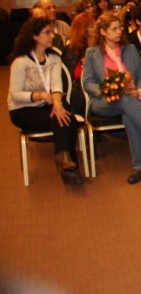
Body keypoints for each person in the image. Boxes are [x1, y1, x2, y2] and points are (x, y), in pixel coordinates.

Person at [82, 14, 141, 184]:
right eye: (114, 29)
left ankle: (140, 166)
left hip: (130, 99)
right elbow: (88, 82)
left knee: (129, 111)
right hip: (103, 101)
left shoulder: (130, 49)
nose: (119, 32)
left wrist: (139, 91)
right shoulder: (92, 53)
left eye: (120, 28)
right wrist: (107, 90)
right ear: (103, 32)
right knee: (126, 101)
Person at [7, 17, 84, 184]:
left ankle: (65, 160)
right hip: (22, 109)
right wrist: (40, 95)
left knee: (64, 115)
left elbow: (57, 85)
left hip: (46, 105)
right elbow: (14, 94)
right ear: (34, 36)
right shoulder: (20, 62)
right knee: (66, 120)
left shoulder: (54, 58)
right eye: (47, 33)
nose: (52, 36)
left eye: (52, 32)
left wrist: (57, 103)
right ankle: (69, 166)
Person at [62, 11, 96, 115]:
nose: (96, 28)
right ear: (83, 30)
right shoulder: (71, 50)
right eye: (92, 26)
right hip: (79, 89)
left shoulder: (100, 47)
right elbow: (72, 75)